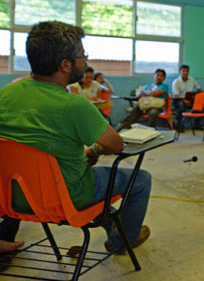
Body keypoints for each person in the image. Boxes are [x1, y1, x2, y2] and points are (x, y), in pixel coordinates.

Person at [0, 21, 152, 255]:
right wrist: (96, 151)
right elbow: (115, 144)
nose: (86, 61)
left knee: (95, 182)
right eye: (83, 55)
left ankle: (119, 229)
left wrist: (86, 155)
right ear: (65, 64)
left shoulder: (7, 94)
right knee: (140, 179)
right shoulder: (73, 105)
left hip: (13, 197)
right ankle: (121, 242)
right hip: (64, 200)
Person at [171, 64, 201, 130]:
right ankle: (180, 126)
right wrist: (185, 101)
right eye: (183, 71)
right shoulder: (176, 82)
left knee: (200, 105)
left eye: (187, 71)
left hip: (189, 99)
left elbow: (198, 88)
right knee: (182, 106)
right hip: (178, 100)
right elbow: (176, 96)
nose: (185, 73)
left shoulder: (192, 79)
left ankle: (197, 125)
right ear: (180, 72)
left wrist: (198, 97)